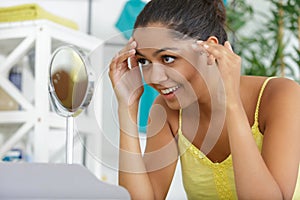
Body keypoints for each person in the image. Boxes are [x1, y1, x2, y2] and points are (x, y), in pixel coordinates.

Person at [109, 0, 300, 199]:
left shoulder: (280, 96)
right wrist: (127, 107)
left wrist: (231, 103)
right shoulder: (167, 111)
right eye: (144, 61)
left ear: (209, 49)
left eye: (167, 58)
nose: (154, 78)